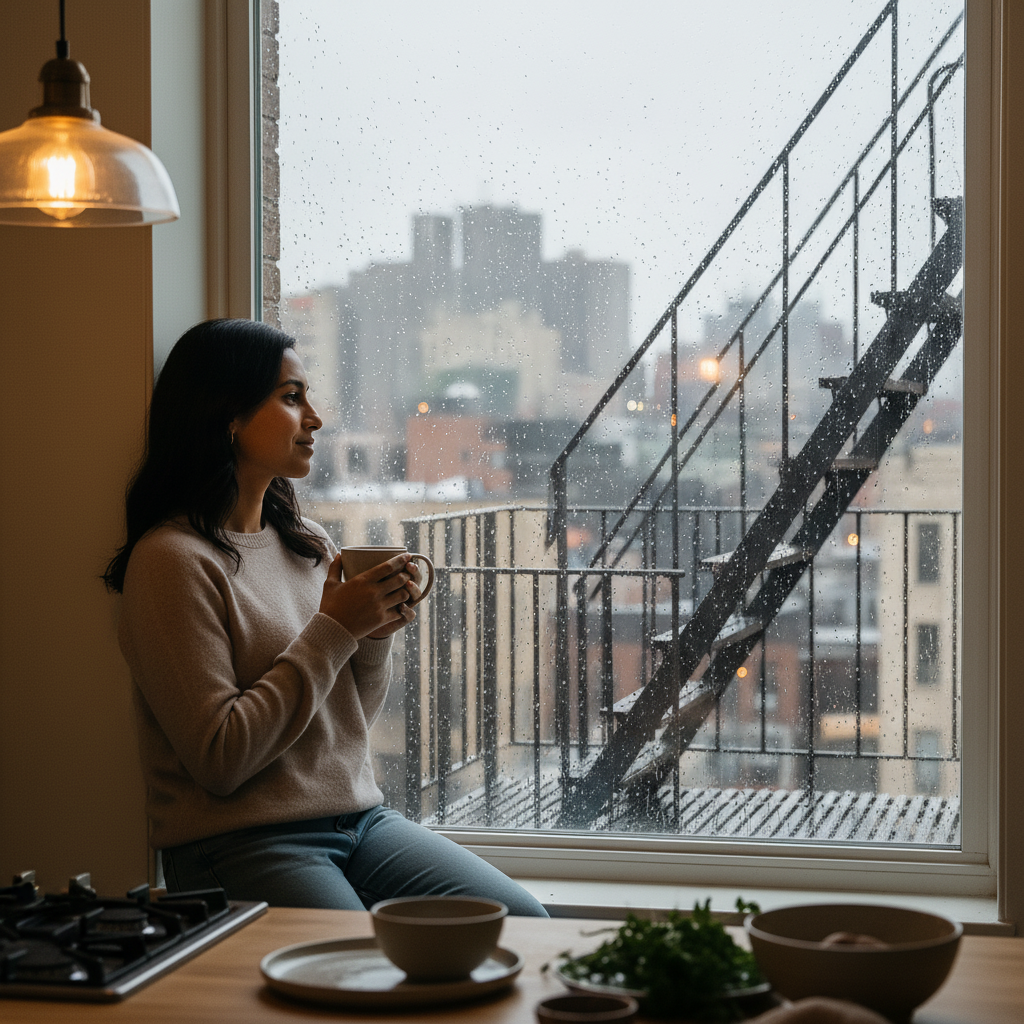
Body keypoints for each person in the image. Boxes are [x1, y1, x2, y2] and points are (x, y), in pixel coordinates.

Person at [104, 318, 547, 916]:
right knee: (358, 976)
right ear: (227, 414)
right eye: (291, 398)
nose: (314, 417)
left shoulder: (305, 541)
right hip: (240, 841)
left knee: (523, 923)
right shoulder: (171, 562)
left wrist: (370, 637)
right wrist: (336, 630)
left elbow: (344, 727)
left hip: (360, 822)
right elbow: (221, 760)